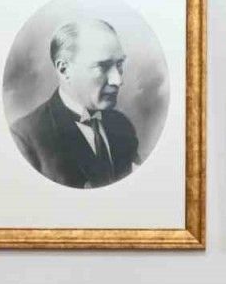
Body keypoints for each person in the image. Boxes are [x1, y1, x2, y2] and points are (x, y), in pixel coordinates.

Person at [11, 19, 141, 188]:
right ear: (64, 69)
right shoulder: (25, 138)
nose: (117, 80)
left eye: (119, 64)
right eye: (102, 66)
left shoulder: (122, 125)